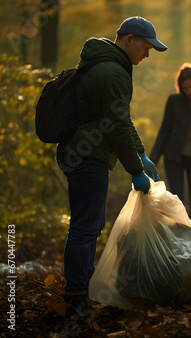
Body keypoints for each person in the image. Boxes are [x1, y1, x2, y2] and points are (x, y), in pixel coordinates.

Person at [56, 16, 167, 314]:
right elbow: (117, 125)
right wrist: (135, 171)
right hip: (87, 156)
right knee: (85, 227)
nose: (147, 54)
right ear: (129, 39)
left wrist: (141, 154)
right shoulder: (113, 72)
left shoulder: (103, 64)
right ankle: (78, 296)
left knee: (88, 225)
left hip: (81, 153)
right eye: (146, 47)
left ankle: (82, 288)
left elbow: (120, 118)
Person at [150, 63, 191, 228]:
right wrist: (152, 160)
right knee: (176, 200)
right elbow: (164, 130)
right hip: (174, 156)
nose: (189, 91)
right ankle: (178, 235)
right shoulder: (174, 101)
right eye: (185, 88)